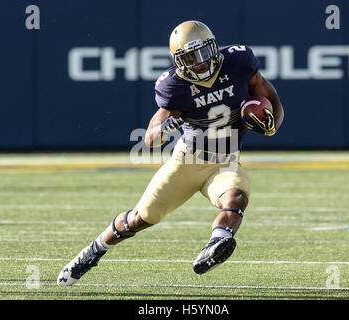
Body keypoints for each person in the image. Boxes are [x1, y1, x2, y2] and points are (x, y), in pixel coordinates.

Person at [57, 20, 284, 285]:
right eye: (190, 57)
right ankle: (92, 252)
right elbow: (151, 138)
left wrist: (272, 127)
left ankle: (217, 244)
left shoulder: (239, 62)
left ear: (214, 47)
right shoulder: (174, 86)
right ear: (179, 61)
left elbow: (269, 95)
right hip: (187, 161)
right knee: (141, 218)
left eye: (202, 53)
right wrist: (166, 127)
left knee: (236, 198)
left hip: (225, 161)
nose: (199, 62)